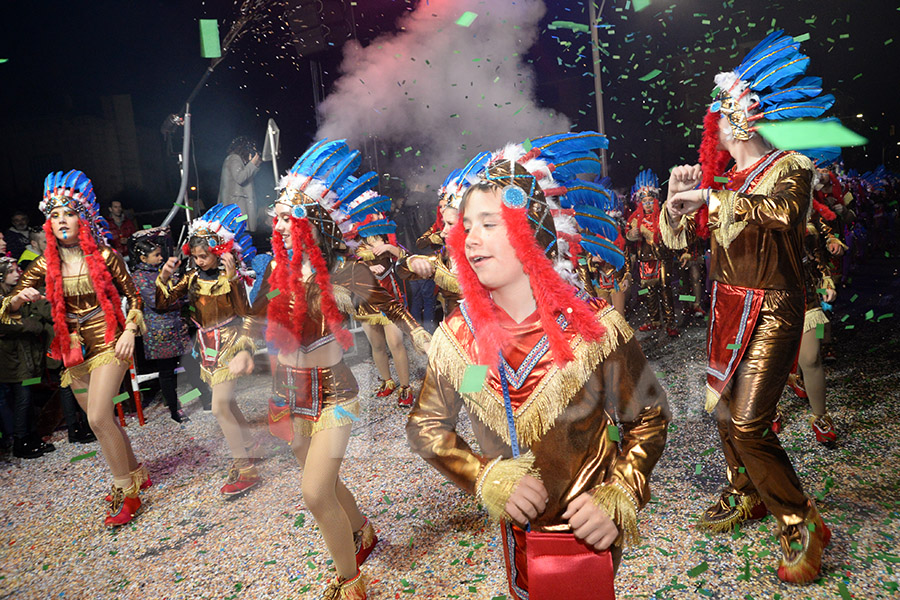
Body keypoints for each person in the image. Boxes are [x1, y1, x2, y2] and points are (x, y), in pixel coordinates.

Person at [407, 134, 670, 600]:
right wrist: (483, 475)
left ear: (532, 229)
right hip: (516, 540)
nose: (470, 240)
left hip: (588, 536)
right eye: (466, 226)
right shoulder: (457, 336)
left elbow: (647, 418)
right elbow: (427, 424)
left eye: (489, 224)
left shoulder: (594, 327)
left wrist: (620, 493)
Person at [659, 31, 836, 584]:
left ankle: (799, 516)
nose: (717, 123)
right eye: (716, 115)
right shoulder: (721, 181)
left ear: (748, 117)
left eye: (724, 111)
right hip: (727, 308)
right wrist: (674, 198)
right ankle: (747, 493)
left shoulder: (792, 166)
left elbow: (783, 214)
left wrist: (709, 198)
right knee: (720, 412)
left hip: (774, 307)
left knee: (750, 420)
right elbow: (672, 243)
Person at [247, 140, 431, 600]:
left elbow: (389, 298)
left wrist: (419, 328)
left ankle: (350, 584)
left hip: (338, 398)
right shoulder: (275, 268)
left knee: (313, 493)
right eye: (280, 217)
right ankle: (362, 531)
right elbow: (255, 320)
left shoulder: (341, 272)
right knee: (324, 483)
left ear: (313, 223)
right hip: (286, 394)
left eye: (291, 218)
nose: (280, 225)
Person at [0, 170, 147, 526]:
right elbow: (6, 308)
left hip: (109, 339)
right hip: (71, 349)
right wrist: (19, 297)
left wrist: (130, 328)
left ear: (82, 218)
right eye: (54, 215)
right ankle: (136, 472)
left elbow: (135, 296)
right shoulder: (42, 265)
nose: (62, 220)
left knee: (97, 417)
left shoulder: (106, 256)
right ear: (48, 223)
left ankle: (126, 492)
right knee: (102, 421)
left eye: (68, 213)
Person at [156, 204, 259, 495]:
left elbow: (248, 315)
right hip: (206, 348)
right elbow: (163, 303)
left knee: (219, 406)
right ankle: (248, 446)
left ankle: (246, 467)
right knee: (229, 403)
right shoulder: (190, 279)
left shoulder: (232, 280)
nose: (200, 261)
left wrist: (246, 349)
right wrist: (164, 277)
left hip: (230, 342)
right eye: (196, 256)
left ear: (220, 251)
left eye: (205, 256)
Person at [344, 192, 418, 407]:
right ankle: (387, 382)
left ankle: (405, 386)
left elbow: (406, 257)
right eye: (372, 211)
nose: (376, 214)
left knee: (395, 343)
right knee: (376, 345)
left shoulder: (387, 236)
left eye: (377, 210)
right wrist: (366, 266)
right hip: (365, 300)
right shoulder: (355, 242)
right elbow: (347, 264)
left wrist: (389, 248)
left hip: (389, 298)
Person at [131, 236, 192, 423]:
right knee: (167, 374)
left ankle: (206, 399)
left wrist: (176, 293)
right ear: (143, 258)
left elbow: (181, 294)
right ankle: (175, 410)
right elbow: (157, 302)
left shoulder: (162, 270)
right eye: (156, 255)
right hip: (159, 332)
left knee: (192, 366)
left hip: (177, 326)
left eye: (160, 254)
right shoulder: (139, 277)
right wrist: (174, 292)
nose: (160, 258)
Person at [0, 256, 56, 458]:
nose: (18, 274)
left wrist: (28, 323)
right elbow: (5, 324)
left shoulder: (17, 293)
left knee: (28, 397)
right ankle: (20, 441)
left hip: (26, 356)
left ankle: (32, 437)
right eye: (12, 271)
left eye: (17, 270)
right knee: (21, 400)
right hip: (11, 359)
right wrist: (29, 325)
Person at [626, 170, 679, 337]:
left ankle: (670, 322)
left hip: (663, 257)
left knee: (665, 288)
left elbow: (673, 232)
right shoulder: (635, 219)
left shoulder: (663, 215)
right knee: (649, 290)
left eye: (651, 201)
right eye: (645, 201)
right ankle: (654, 319)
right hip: (645, 258)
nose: (648, 204)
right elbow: (627, 237)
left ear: (656, 201)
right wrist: (631, 236)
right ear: (639, 203)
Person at [218, 136, 262, 233]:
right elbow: (240, 178)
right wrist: (252, 164)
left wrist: (254, 164)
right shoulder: (234, 158)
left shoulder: (237, 160)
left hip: (239, 206)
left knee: (243, 232)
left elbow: (246, 177)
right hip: (237, 206)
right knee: (240, 232)